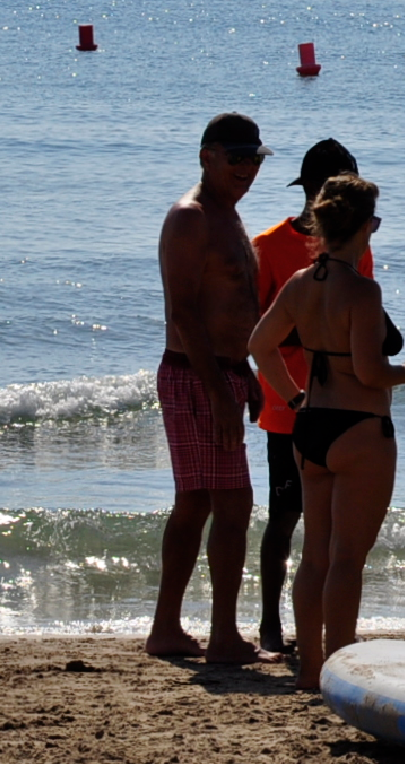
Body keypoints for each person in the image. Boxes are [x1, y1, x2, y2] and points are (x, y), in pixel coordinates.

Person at [248, 174, 405, 689]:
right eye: (374, 222)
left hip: (309, 425)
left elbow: (260, 345)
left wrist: (292, 398)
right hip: (361, 428)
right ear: (361, 229)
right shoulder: (362, 290)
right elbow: (370, 372)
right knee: (348, 560)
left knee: (314, 555)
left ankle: (311, 668)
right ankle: (339, 666)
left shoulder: (297, 283)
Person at [148, 112, 280, 664]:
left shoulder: (230, 216)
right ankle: (223, 636)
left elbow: (229, 307)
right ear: (208, 156)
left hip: (220, 373)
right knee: (233, 504)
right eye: (237, 159)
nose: (247, 170)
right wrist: (219, 391)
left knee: (197, 503)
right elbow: (183, 311)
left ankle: (166, 629)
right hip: (194, 373)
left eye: (256, 160)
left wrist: (243, 372)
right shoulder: (191, 217)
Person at [251, 139, 372, 655]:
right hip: (288, 404)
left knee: (335, 523)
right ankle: (270, 622)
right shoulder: (270, 245)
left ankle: (320, 626)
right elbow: (255, 332)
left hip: (345, 400)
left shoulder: (358, 248)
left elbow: (360, 326)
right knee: (286, 516)